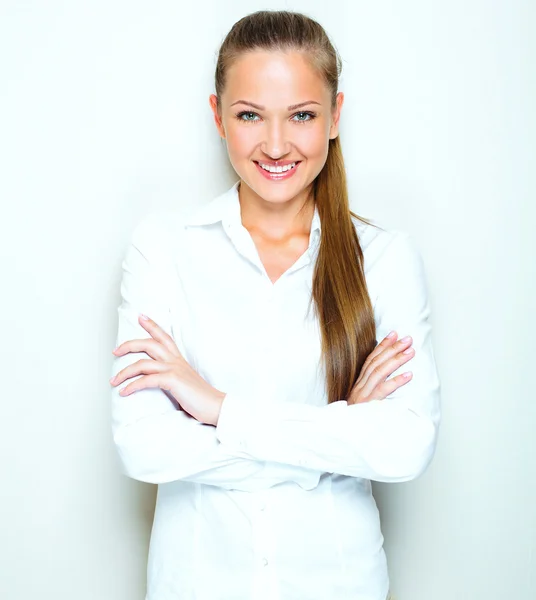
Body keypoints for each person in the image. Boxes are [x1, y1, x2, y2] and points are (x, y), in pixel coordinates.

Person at [109, 9, 441, 600]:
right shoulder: (162, 250)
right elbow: (143, 445)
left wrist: (216, 408)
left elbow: (405, 446)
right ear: (218, 116)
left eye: (303, 115)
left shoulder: (385, 259)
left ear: (335, 116)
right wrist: (338, 437)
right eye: (249, 115)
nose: (277, 144)